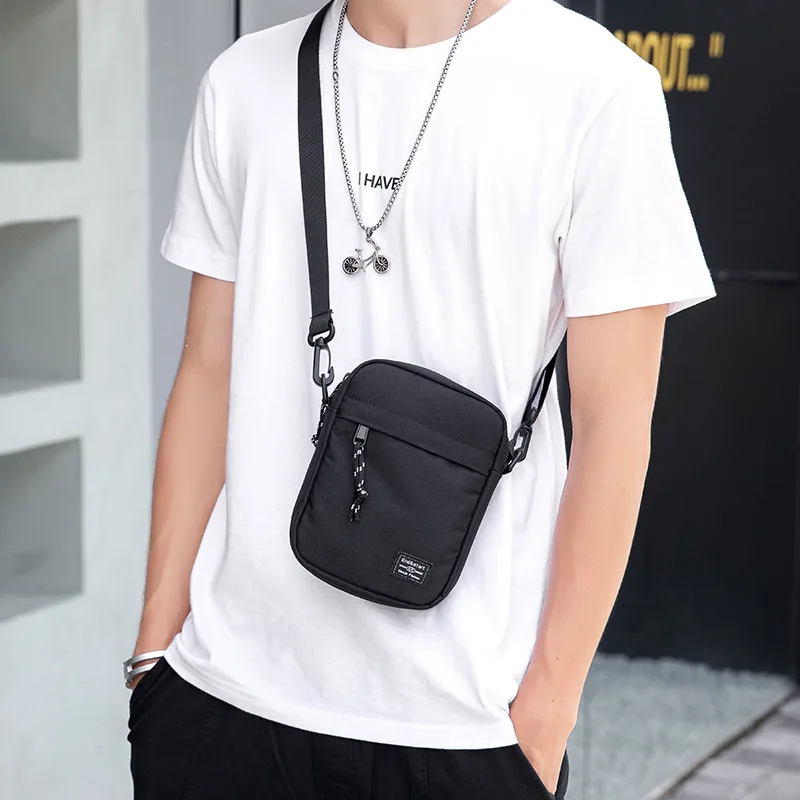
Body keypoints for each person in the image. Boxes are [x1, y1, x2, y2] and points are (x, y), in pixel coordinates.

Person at [126, 0, 715, 797]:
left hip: (463, 727)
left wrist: (545, 715)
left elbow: (615, 425)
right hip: (220, 700)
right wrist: (154, 655)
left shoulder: (596, 89)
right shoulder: (243, 82)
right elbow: (206, 373)